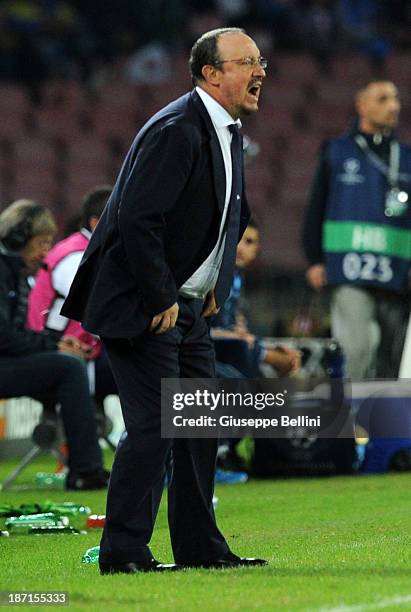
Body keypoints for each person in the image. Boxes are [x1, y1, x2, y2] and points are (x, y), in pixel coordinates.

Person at [62, 27, 268, 573]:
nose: (260, 71)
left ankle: (200, 549)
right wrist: (162, 295)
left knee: (199, 428)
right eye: (247, 61)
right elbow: (138, 218)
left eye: (260, 60)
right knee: (155, 427)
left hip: (188, 306)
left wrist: (213, 290)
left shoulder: (225, 130)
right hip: (145, 304)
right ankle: (123, 552)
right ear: (211, 73)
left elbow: (231, 217)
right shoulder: (178, 128)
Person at [303, 79, 411, 379]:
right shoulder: (337, 151)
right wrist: (314, 259)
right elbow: (317, 206)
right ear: (361, 105)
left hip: (397, 273)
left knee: (394, 357)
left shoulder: (407, 157)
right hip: (348, 268)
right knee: (356, 350)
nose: (394, 106)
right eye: (383, 99)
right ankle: (349, 422)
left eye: (396, 99)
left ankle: (386, 424)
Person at [0, 199, 109, 490]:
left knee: (68, 367)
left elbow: (13, 334)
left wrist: (55, 342)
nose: (45, 251)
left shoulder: (14, 273)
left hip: (8, 360)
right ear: (19, 238)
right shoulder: (4, 273)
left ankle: (86, 465)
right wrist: (55, 346)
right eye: (41, 242)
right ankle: (86, 469)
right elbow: (5, 337)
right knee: (69, 368)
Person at [27, 186, 117, 403]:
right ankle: (193, 429)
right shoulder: (75, 257)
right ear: (96, 223)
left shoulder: (90, 250)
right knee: (162, 372)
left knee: (175, 373)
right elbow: (98, 309)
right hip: (61, 352)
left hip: (86, 351)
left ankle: (195, 431)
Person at [212, 218, 301, 377]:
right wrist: (268, 354)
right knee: (242, 350)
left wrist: (266, 348)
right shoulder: (213, 275)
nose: (240, 248)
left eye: (249, 242)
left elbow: (236, 328)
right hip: (207, 349)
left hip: (226, 349)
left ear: (257, 249)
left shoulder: (238, 277)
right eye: (237, 239)